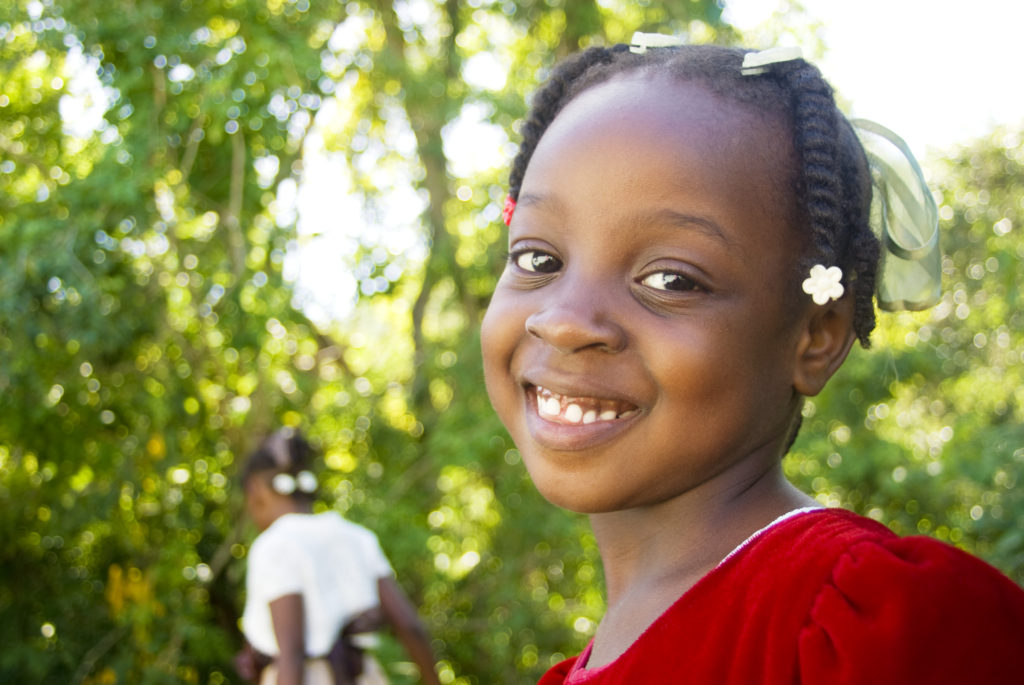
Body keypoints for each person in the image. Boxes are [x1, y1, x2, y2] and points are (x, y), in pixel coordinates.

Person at [480, 35, 1024, 684]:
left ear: (817, 334)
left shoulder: (877, 627)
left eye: (672, 279)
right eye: (540, 260)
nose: (565, 319)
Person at [237, 428, 441, 685]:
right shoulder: (356, 537)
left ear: (255, 490)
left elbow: (292, 653)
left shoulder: (275, 545)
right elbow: (409, 625)